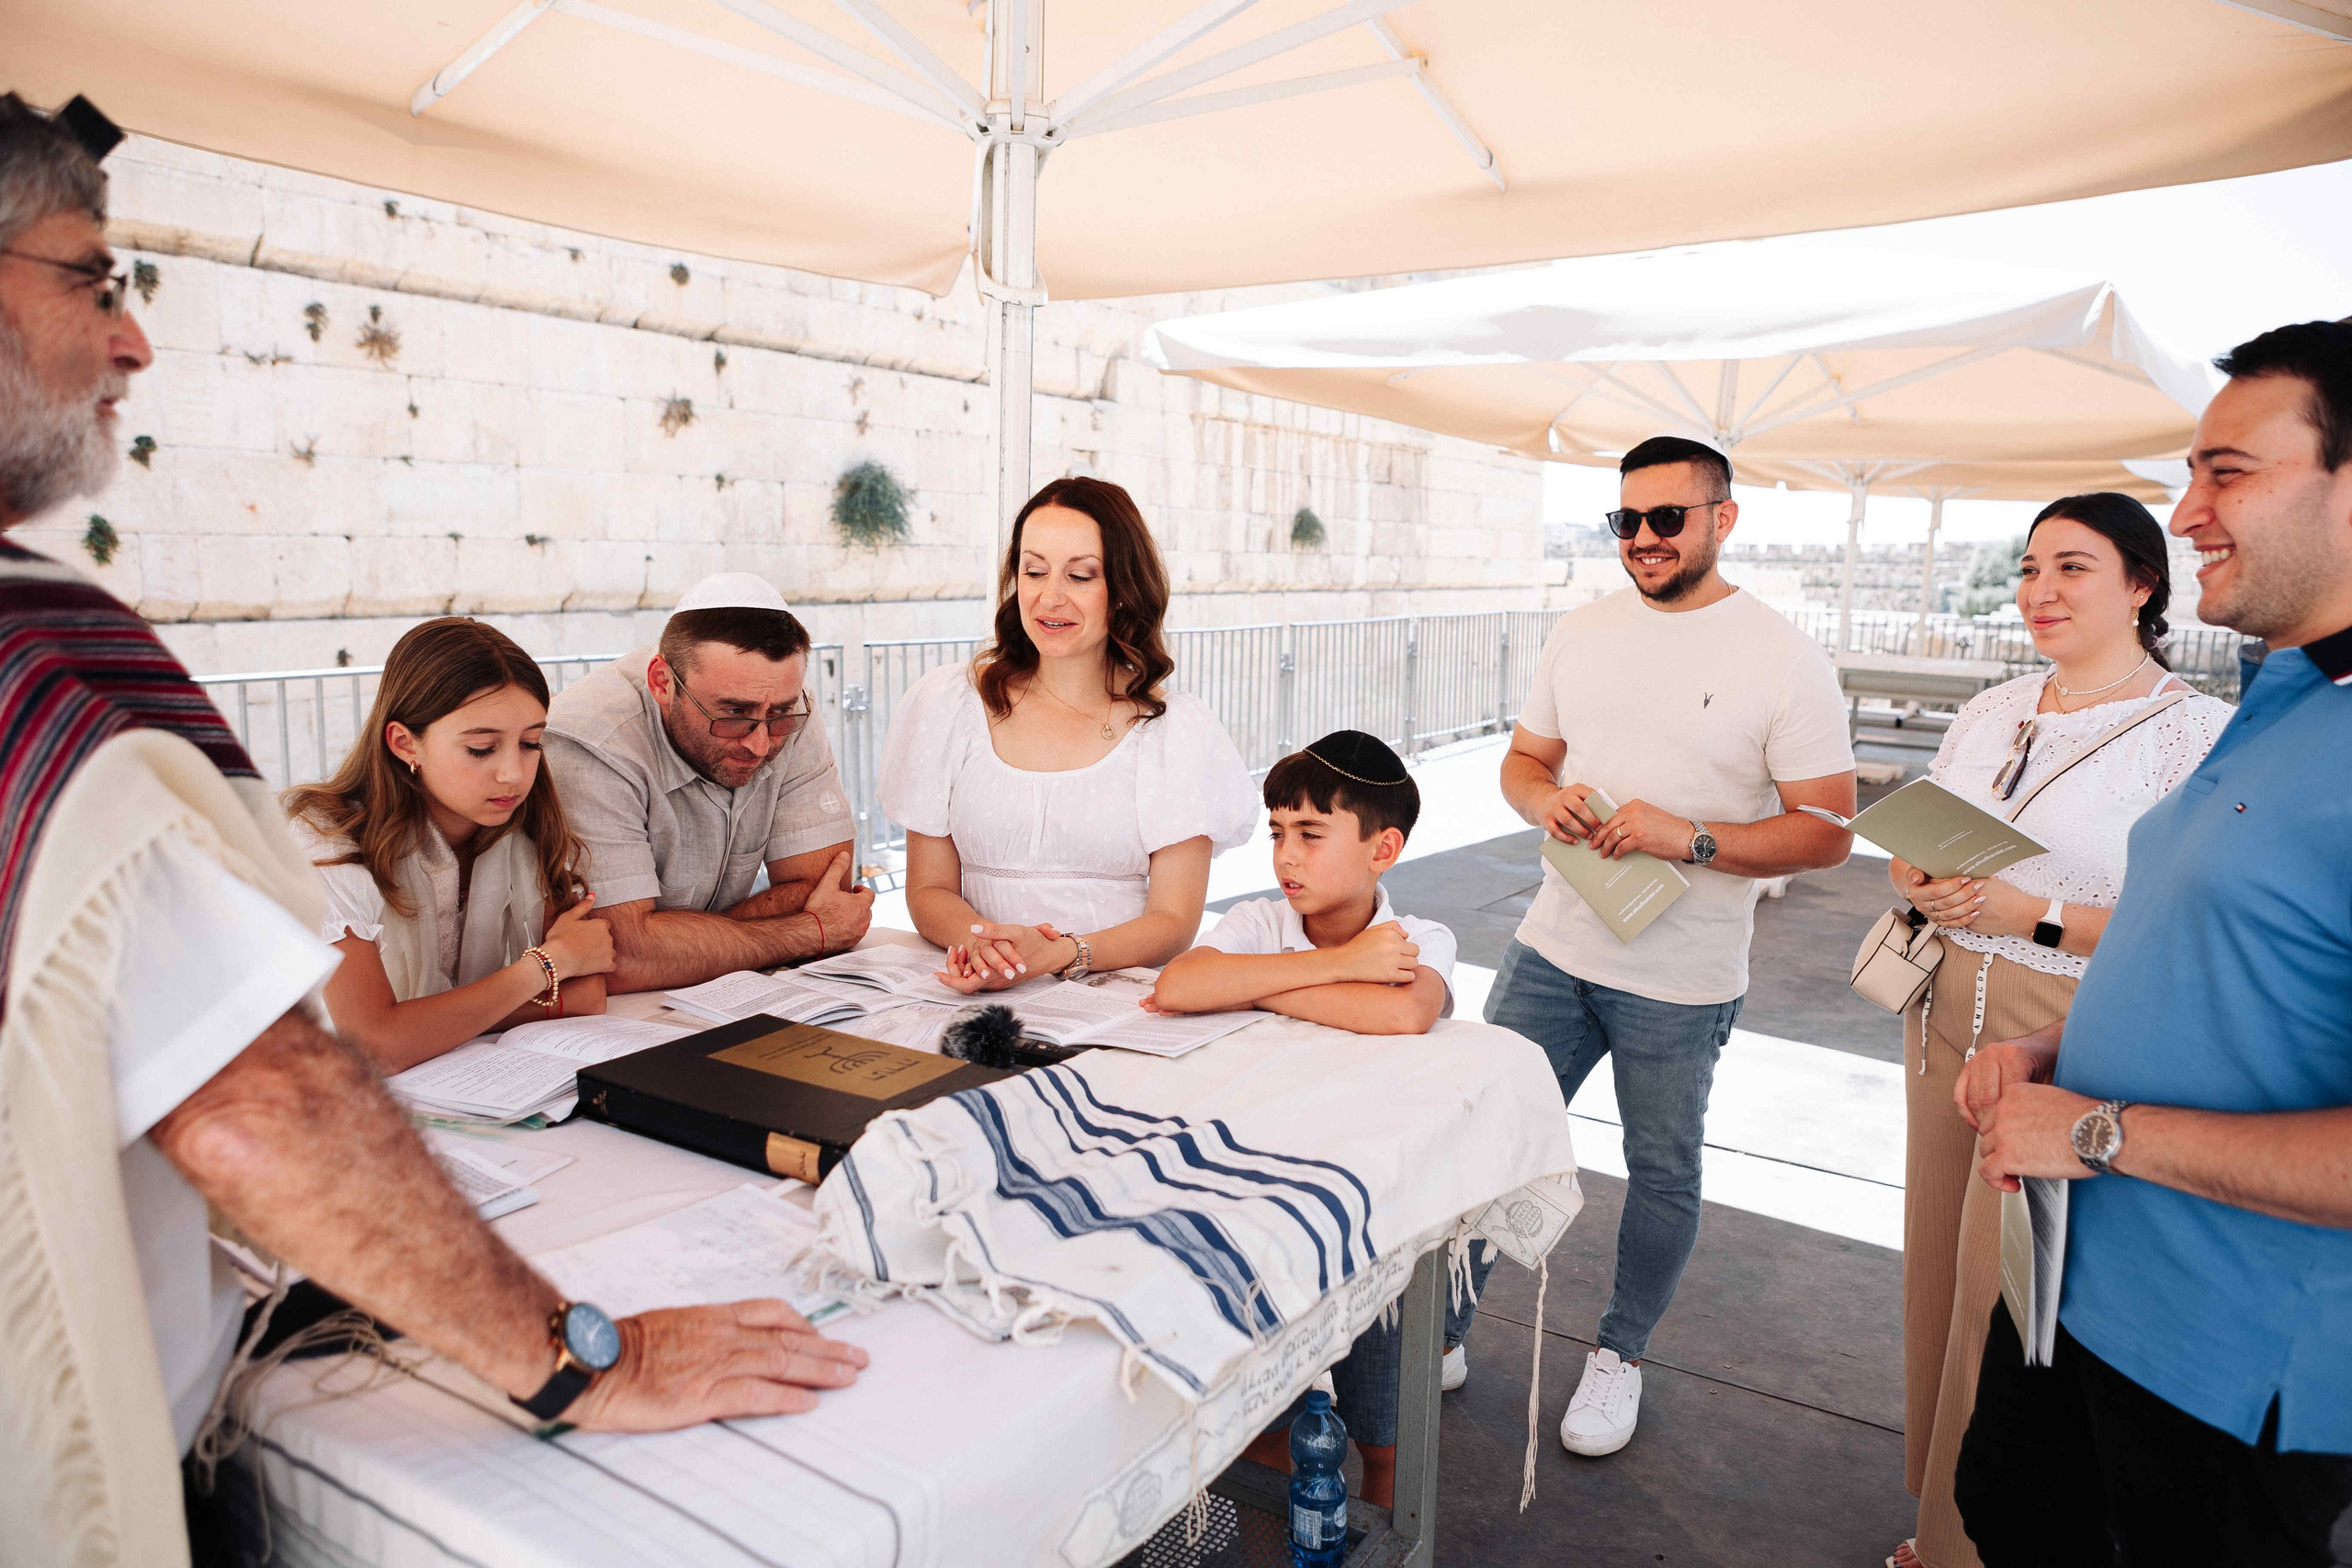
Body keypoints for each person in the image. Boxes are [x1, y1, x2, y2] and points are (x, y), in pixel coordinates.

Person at [0, 95, 865, 1568]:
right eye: (93, 278)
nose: (132, 340)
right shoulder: (39, 668)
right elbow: (263, 1097)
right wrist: (579, 1354)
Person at [1952, 320, 2352, 1564]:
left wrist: (2094, 1129)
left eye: (2228, 473)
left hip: (2227, 1355)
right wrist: (2058, 1051)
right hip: (2077, 1278)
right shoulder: (2287, 696)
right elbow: (2228, 958)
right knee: (2006, 1509)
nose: (2186, 515)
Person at [1453, 434, 1858, 1457]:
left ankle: (1619, 1354)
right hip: (1551, 948)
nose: (1643, 537)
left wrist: (1694, 838)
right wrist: (1545, 803)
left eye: (1666, 517)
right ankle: (1445, 1325)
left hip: (1681, 979)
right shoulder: (1582, 630)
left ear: (1723, 519)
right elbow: (1525, 761)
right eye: (1625, 519)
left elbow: (1828, 830)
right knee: (1486, 1134)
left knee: (1661, 1171)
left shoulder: (1782, 656)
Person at [1883, 495, 2229, 1568]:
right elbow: (1920, 839)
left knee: (2007, 1298)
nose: (2039, 590)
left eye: (2072, 568)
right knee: (1933, 1271)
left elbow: (2190, 926)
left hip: (2065, 1030)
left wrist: (2026, 912)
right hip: (1942, 1008)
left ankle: (1968, 1548)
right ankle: (1930, 1516)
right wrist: (1918, 877)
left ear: (2142, 584)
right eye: (2030, 567)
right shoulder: (1991, 708)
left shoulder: (2195, 733)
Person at [1151, 730, 1458, 1506]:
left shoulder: (1422, 939)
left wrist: (1252, 987)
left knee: (1384, 1434)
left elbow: (1405, 1014)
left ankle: (1386, 1533)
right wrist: (1342, 965)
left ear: (1383, 848)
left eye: (1311, 834)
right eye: (1278, 831)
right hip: (1269, 1199)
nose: (1285, 855)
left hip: (1382, 1210)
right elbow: (1179, 986)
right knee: (1267, 1427)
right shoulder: (1260, 921)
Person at [878, 476, 1257, 989]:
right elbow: (928, 888)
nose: (1050, 597)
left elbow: (1173, 922)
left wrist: (1056, 954)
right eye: (1034, 571)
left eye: (1080, 576)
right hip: (978, 986)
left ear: (1122, 590)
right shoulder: (950, 703)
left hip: (1114, 998)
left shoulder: (1173, 729)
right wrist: (992, 948)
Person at [283, 617, 618, 1073]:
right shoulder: (325, 839)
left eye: (531, 743)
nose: (513, 774)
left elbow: (586, 993)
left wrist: (427, 1025)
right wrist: (545, 966)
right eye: (481, 748)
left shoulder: (528, 819)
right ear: (405, 744)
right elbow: (375, 1044)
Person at [543, 573, 873, 992]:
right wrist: (810, 931)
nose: (759, 744)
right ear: (663, 683)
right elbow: (620, 954)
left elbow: (826, 889)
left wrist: (678, 947)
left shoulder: (784, 706)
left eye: (778, 715)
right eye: (733, 714)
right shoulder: (592, 741)